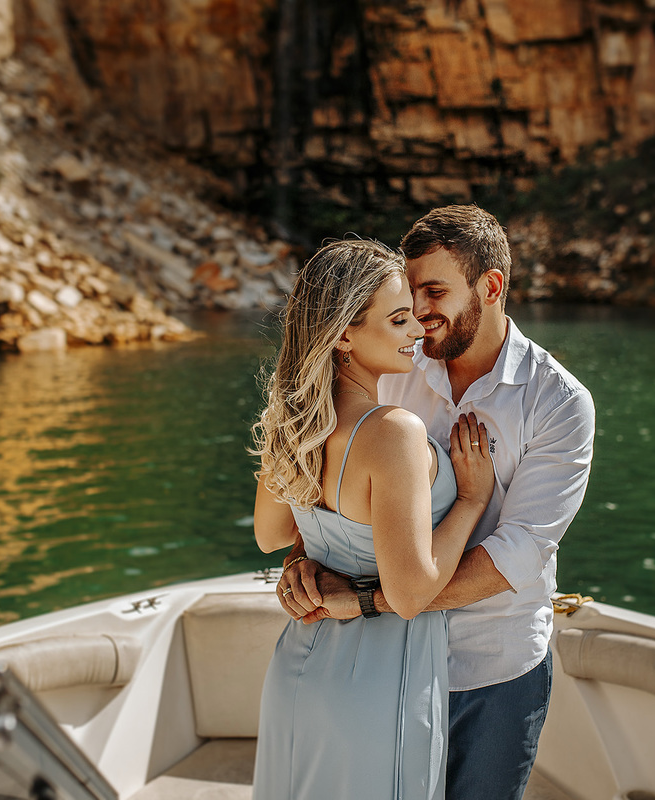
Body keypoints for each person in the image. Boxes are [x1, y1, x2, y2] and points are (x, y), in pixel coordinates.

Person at [277, 205, 596, 800]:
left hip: (490, 671)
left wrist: (370, 600)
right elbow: (334, 473)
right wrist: (304, 558)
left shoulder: (559, 404)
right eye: (412, 291)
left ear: (492, 286)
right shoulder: (392, 361)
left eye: (435, 290)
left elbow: (519, 553)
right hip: (384, 660)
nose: (419, 312)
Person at [249, 238, 496, 800]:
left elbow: (272, 536)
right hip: (380, 685)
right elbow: (410, 594)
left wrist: (311, 556)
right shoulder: (394, 432)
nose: (417, 331)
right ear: (343, 335)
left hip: (299, 668)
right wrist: (470, 502)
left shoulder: (292, 421)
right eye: (399, 318)